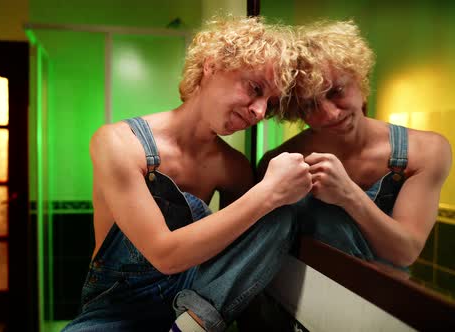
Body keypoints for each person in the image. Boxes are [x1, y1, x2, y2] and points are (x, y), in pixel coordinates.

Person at [61, 16, 313, 332]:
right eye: (255, 88)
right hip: (115, 313)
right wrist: (268, 192)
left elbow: (241, 256)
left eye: (270, 105)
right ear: (212, 66)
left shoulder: (233, 167)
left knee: (280, 216)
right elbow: (164, 255)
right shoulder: (118, 142)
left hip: (196, 306)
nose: (260, 112)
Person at [256, 20, 452, 269]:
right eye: (309, 105)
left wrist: (347, 194)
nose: (330, 115)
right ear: (297, 112)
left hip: (381, 302)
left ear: (360, 80)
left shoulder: (426, 151)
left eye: (336, 91)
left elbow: (406, 252)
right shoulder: (280, 160)